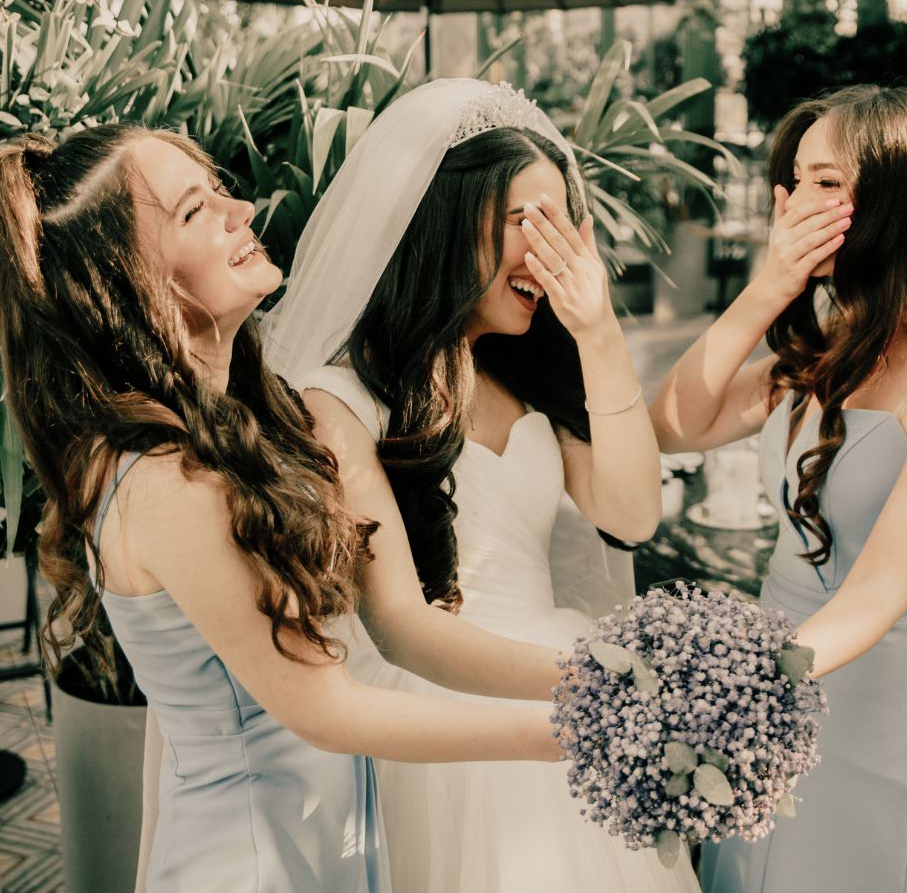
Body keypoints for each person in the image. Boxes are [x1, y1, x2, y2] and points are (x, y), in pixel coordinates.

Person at [0, 124, 574, 893]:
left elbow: (394, 625)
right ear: (122, 278)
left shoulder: (251, 424)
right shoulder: (164, 479)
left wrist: (600, 675)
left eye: (220, 192)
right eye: (197, 210)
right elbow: (325, 709)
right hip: (251, 865)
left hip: (323, 843)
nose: (242, 209)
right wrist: (575, 729)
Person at [265, 79, 699, 893]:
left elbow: (635, 518)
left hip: (565, 661)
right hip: (455, 710)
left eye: (561, 225)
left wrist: (599, 334)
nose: (547, 252)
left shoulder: (531, 370)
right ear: (444, 219)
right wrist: (602, 681)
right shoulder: (344, 398)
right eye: (523, 223)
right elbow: (399, 627)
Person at [650, 85, 907, 893]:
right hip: (774, 672)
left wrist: (740, 684)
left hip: (866, 700)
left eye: (825, 183)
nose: (793, 205)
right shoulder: (832, 342)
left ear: (902, 196)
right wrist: (764, 293)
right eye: (791, 183)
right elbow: (674, 426)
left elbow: (875, 596)